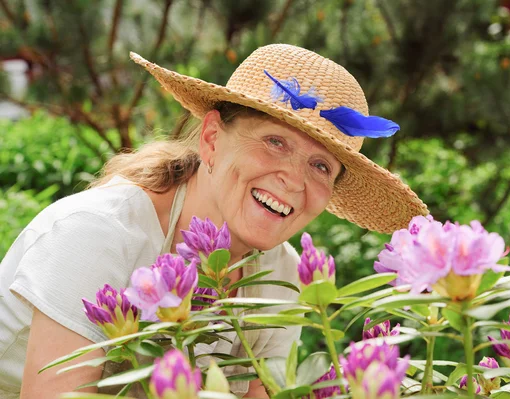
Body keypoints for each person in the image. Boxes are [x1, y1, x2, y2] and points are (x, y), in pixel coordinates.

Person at [0, 44, 428, 398]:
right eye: (274, 142)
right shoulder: (97, 234)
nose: (294, 181)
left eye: (320, 166)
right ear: (211, 139)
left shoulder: (280, 274)